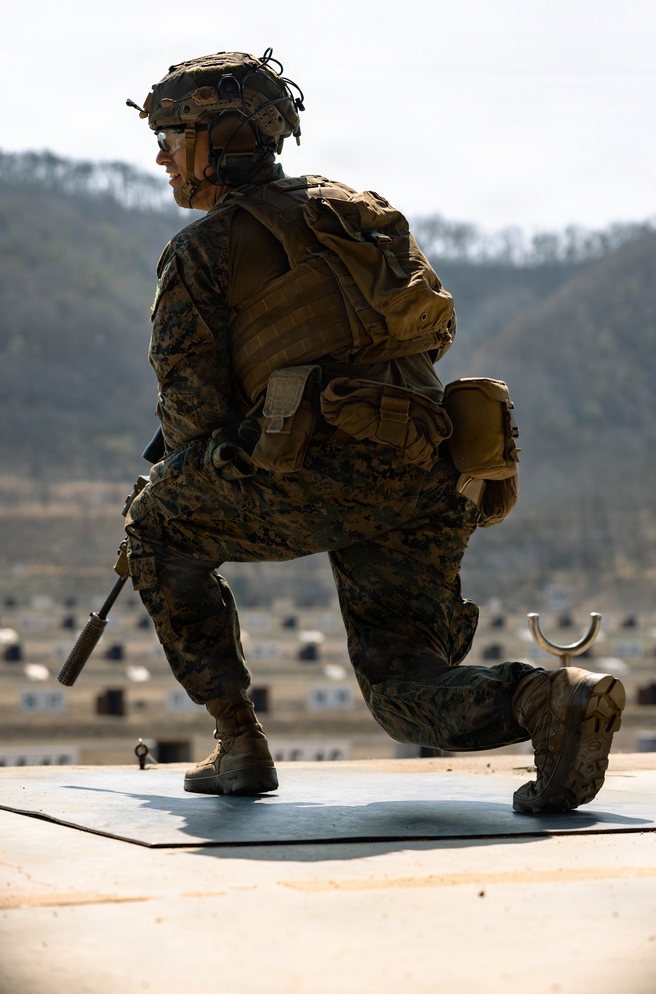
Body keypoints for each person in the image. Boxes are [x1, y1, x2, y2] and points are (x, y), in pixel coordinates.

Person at [123, 50, 625, 813]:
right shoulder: (360, 213)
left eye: (172, 138)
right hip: (430, 466)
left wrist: (172, 483)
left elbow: (192, 418)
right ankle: (548, 699)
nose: (162, 157)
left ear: (221, 141)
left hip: (314, 468)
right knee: (400, 688)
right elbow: (427, 338)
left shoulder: (200, 253)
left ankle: (238, 740)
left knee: (155, 525)